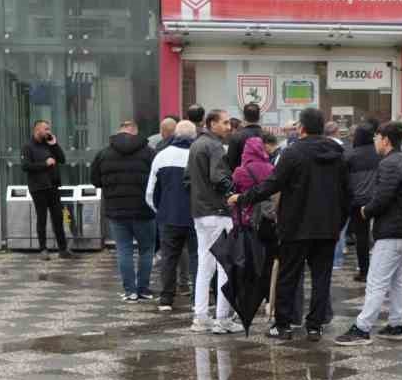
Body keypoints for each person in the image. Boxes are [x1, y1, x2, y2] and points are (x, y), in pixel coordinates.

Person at [232, 107, 351, 342]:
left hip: (296, 226)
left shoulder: (293, 152)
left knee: (289, 275)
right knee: (321, 277)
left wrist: (244, 198)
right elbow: (347, 193)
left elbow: (272, 184)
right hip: (327, 227)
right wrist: (339, 222)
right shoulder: (338, 154)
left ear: (302, 128)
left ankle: (283, 325)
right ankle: (315, 326)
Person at [337, 121, 402, 344]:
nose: (374, 141)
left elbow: (383, 196)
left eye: (377, 138)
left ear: (386, 140)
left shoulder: (389, 164)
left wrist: (366, 210)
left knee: (376, 279)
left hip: (393, 230)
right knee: (397, 279)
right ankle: (396, 324)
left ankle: (362, 328)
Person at [91, 119, 157, 301]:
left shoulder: (103, 154)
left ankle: (130, 291)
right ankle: (143, 288)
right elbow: (157, 179)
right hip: (144, 210)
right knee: (146, 249)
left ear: (119, 132)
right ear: (135, 132)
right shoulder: (149, 153)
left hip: (116, 210)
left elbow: (95, 181)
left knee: (124, 249)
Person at [187, 108, 239, 334]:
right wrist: (232, 193)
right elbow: (219, 177)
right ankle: (222, 319)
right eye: (225, 123)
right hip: (217, 212)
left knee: (204, 265)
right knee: (224, 267)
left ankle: (200, 317)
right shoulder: (214, 145)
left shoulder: (196, 144)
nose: (229, 127)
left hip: (200, 212)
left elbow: (187, 179)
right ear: (212, 123)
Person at [147, 120, 198, 313]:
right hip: (196, 216)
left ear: (175, 135)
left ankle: (166, 298)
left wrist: (159, 210)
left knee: (169, 258)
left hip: (168, 216)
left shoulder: (162, 156)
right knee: (197, 257)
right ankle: (197, 299)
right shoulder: (198, 155)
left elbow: (150, 192)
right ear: (194, 137)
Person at [21, 120, 69, 258]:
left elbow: (62, 159)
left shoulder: (49, 144)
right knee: (42, 218)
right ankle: (43, 249)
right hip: (38, 188)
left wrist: (55, 144)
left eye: (49, 128)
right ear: (37, 130)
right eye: (46, 129)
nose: (49, 131)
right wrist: (45, 164)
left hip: (53, 186)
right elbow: (25, 166)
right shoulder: (28, 146)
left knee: (58, 217)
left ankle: (63, 249)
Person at [344, 125, 381, 282]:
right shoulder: (379, 154)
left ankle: (364, 270)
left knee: (361, 237)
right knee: (380, 236)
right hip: (378, 199)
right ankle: (380, 269)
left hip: (357, 201)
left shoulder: (350, 155)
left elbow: (344, 180)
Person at [225, 102, 265, 171]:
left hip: (240, 179)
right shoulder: (267, 136)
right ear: (259, 117)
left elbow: (231, 163)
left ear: (243, 117)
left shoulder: (236, 137)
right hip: (264, 179)